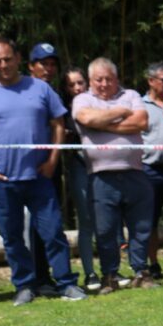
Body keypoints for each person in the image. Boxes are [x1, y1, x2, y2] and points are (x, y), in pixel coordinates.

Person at [0, 37, 86, 305]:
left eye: (8, 58)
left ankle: (66, 283)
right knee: (13, 238)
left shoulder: (41, 88)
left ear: (18, 59)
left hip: (39, 177)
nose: (4, 64)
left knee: (53, 233)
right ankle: (24, 286)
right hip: (1, 181)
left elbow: (57, 123)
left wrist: (52, 158)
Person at [72, 57, 157, 293]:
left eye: (109, 79)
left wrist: (102, 125)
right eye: (98, 79)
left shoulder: (131, 94)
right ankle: (109, 274)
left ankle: (141, 271)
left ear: (116, 79)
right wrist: (120, 112)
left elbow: (141, 121)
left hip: (135, 172)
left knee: (141, 226)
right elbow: (87, 119)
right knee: (105, 229)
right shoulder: (82, 99)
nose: (104, 84)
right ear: (90, 81)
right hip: (101, 176)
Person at [26, 42, 63, 295]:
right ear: (31, 66)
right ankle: (35, 278)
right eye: (43, 63)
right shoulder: (23, 89)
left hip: (51, 167)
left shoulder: (54, 92)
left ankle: (50, 277)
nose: (48, 69)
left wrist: (52, 161)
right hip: (24, 171)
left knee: (51, 225)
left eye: (52, 64)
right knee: (29, 227)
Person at [60, 67, 99, 290]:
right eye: (71, 84)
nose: (77, 88)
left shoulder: (99, 102)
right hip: (78, 167)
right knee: (85, 221)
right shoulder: (62, 112)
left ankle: (111, 271)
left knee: (106, 222)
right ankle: (90, 272)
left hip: (104, 167)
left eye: (80, 82)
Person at [141, 62, 163, 277]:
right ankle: (153, 264)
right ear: (151, 81)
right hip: (149, 169)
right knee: (149, 220)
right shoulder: (140, 104)